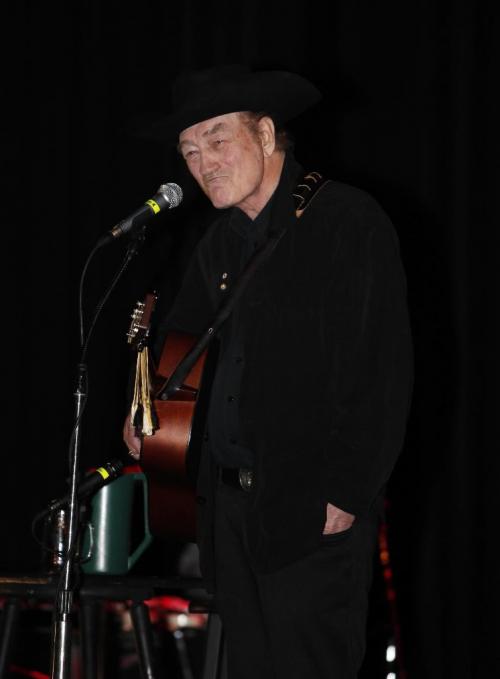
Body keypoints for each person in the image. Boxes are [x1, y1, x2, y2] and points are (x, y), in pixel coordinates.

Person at [123, 64, 413, 679]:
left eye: (217, 140)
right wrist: (144, 406)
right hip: (227, 513)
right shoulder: (219, 244)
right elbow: (177, 348)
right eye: (190, 151)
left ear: (265, 133)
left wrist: (346, 493)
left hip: (310, 508)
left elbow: (382, 371)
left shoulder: (347, 221)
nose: (203, 163)